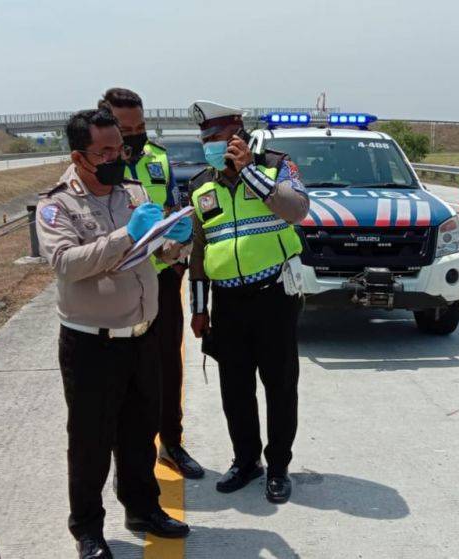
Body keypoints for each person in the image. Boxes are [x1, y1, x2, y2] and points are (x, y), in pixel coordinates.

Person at [36, 108, 192, 559]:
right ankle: (87, 528)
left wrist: (174, 240)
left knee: (140, 433)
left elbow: (153, 252)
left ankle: (143, 508)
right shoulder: (57, 204)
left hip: (141, 334)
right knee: (90, 441)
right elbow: (66, 264)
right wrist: (128, 234)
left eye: (118, 148)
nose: (114, 158)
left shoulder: (133, 191)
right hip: (91, 342)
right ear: (79, 156)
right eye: (103, 151)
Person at [186, 100, 310, 504]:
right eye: (205, 139)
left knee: (279, 385)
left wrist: (249, 173)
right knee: (234, 389)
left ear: (239, 136)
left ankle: (278, 467)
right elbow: (199, 254)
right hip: (227, 304)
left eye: (217, 138)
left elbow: (297, 210)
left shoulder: (277, 167)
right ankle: (245, 460)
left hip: (273, 296)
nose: (211, 146)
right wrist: (200, 308)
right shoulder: (201, 185)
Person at [99, 88, 203, 479]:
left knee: (167, 368)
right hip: (115, 285)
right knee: (122, 376)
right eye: (125, 128)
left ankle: (171, 444)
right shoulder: (98, 166)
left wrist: (178, 247)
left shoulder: (159, 158)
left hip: (159, 280)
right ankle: (126, 454)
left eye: (140, 126)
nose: (135, 134)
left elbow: (173, 206)